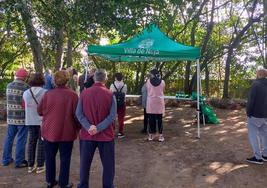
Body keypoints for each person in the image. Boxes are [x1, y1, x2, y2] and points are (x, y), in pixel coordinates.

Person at [37, 70, 80, 188]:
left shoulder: (48, 94)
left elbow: (39, 111)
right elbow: (77, 115)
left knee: (49, 157)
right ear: (67, 80)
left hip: (49, 131)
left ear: (54, 80)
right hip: (67, 131)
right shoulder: (73, 95)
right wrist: (78, 128)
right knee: (65, 158)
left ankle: (50, 181)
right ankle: (63, 183)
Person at [76, 69, 117, 188]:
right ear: (105, 79)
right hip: (105, 136)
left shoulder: (84, 93)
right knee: (108, 165)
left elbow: (79, 114)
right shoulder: (110, 94)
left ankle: (83, 185)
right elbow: (112, 116)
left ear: (94, 78)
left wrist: (90, 127)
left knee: (84, 164)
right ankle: (108, 186)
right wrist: (98, 128)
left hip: (87, 134)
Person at [2, 68, 29, 168]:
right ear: (25, 77)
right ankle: (19, 161)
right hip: (22, 118)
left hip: (10, 117)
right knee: (21, 139)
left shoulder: (9, 86)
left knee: (9, 138)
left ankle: (5, 159)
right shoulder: (26, 87)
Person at [23, 73, 47, 173]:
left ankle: (30, 165)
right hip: (42, 121)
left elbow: (24, 106)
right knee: (41, 142)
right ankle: (40, 165)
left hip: (30, 120)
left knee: (31, 142)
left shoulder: (25, 93)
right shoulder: (45, 92)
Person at [246, 69, 267, 165]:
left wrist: (248, 113)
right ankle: (265, 155)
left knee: (253, 135)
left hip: (255, 114)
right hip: (265, 115)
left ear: (258, 74)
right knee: (265, 135)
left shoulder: (256, 84)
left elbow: (251, 100)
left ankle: (257, 158)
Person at [146, 69, 165, 142]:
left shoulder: (148, 81)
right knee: (160, 120)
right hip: (159, 102)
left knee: (151, 119)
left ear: (152, 74)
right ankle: (160, 136)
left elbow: (148, 89)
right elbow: (163, 90)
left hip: (151, 102)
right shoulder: (162, 82)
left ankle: (151, 135)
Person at [110, 72, 127, 138]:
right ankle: (120, 132)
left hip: (114, 103)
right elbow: (125, 93)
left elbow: (110, 94)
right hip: (122, 103)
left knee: (113, 117)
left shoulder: (112, 85)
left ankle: (112, 131)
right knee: (121, 118)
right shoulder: (125, 85)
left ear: (115, 78)